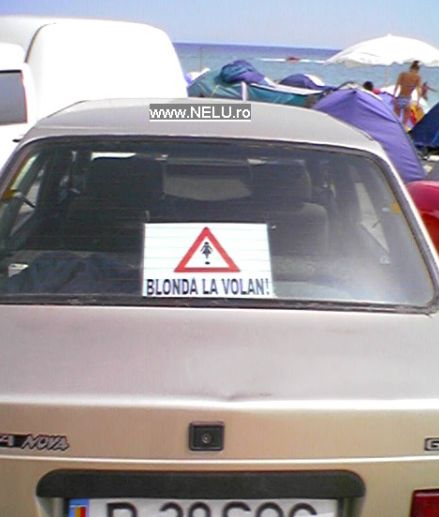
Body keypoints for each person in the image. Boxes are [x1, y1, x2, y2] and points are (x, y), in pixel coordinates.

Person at [393, 60, 422, 128]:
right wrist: (418, 102)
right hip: (407, 99)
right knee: (405, 122)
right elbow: (418, 90)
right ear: (417, 70)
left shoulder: (403, 74)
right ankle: (402, 131)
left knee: (395, 119)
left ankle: (394, 129)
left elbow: (397, 86)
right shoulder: (417, 77)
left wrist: (393, 96)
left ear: (410, 68)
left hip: (400, 97)